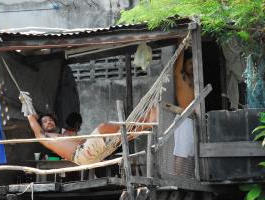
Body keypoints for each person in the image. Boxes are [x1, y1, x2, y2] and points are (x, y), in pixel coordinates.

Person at [28, 110, 156, 165]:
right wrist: (29, 114)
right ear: (41, 127)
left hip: (84, 153)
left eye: (50, 120)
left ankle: (145, 124)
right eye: (45, 121)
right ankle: (146, 122)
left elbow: (80, 142)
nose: (49, 122)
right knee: (104, 127)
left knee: (116, 139)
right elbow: (34, 123)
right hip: (81, 155)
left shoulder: (60, 135)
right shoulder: (44, 136)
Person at [173, 48, 195, 175]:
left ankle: (187, 179)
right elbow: (177, 68)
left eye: (193, 63)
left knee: (190, 152)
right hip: (183, 118)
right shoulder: (181, 78)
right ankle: (178, 180)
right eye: (189, 63)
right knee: (181, 152)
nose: (192, 66)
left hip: (192, 119)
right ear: (184, 64)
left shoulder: (193, 79)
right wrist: (182, 44)